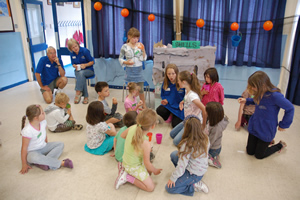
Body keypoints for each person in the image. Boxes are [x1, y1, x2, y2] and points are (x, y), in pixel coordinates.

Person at [238, 71, 294, 159]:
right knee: (249, 152)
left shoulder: (275, 96)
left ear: (262, 85)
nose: (252, 88)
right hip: (255, 125)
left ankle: (279, 145)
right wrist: (246, 100)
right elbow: (256, 100)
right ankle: (266, 143)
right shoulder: (259, 92)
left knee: (259, 156)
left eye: (253, 86)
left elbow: (290, 108)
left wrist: (283, 124)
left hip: (266, 128)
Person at [115, 109, 162, 191]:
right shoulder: (146, 143)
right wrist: (155, 170)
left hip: (126, 160)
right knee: (150, 187)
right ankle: (126, 176)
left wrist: (132, 144)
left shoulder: (132, 127)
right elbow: (147, 163)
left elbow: (122, 136)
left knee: (148, 172)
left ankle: (124, 168)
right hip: (133, 166)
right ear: (153, 126)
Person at [20, 105, 73, 174]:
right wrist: (24, 164)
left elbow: (44, 134)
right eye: (42, 113)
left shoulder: (43, 122)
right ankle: (61, 163)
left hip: (43, 147)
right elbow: (24, 148)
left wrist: (46, 144)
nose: (44, 113)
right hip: (32, 152)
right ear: (36, 118)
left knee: (60, 144)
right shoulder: (27, 131)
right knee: (34, 158)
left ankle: (44, 163)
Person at [165, 115, 209, 196]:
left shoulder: (187, 145)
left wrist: (173, 178)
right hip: (200, 169)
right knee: (174, 155)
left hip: (194, 174)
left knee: (169, 188)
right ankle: (189, 180)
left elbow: (181, 166)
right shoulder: (205, 138)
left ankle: (193, 185)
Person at [170, 71, 207, 146]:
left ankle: (195, 135)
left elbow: (204, 109)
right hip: (187, 120)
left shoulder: (192, 96)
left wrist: (203, 125)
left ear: (183, 82)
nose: (178, 83)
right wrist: (182, 102)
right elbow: (185, 98)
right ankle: (190, 134)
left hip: (193, 124)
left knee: (176, 142)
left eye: (178, 81)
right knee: (172, 134)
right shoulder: (187, 90)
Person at [119, 27, 147, 109]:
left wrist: (144, 50)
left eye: (137, 38)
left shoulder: (140, 45)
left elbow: (143, 58)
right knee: (132, 90)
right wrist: (126, 62)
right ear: (129, 37)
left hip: (139, 70)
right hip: (130, 70)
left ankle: (143, 105)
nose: (136, 39)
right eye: (134, 37)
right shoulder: (124, 47)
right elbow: (120, 58)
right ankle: (132, 105)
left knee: (141, 89)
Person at [156, 64, 185, 128]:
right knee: (159, 110)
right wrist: (164, 100)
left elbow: (186, 96)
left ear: (176, 73)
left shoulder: (181, 82)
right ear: (166, 74)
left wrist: (183, 102)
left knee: (175, 125)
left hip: (179, 107)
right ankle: (170, 115)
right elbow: (163, 94)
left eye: (173, 73)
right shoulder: (165, 82)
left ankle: (173, 115)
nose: (171, 76)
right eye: (169, 74)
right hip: (169, 105)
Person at [67, 38, 95, 104]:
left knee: (81, 74)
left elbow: (92, 62)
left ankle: (78, 92)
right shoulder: (72, 53)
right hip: (78, 70)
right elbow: (73, 64)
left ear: (78, 45)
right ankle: (85, 97)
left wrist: (85, 65)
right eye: (73, 47)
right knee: (81, 76)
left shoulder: (85, 51)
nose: (75, 48)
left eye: (76, 46)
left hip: (89, 70)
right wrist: (75, 66)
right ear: (71, 49)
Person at [205, 102, 228, 169]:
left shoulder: (216, 128)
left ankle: (212, 159)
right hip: (210, 141)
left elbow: (210, 142)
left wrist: (203, 150)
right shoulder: (215, 119)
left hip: (213, 149)